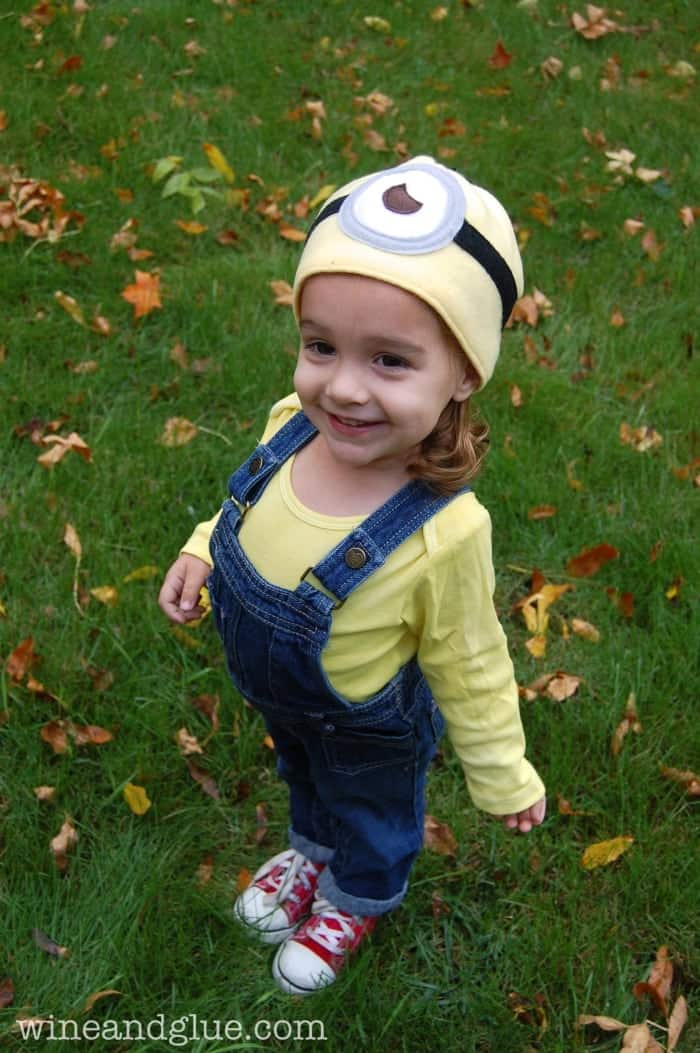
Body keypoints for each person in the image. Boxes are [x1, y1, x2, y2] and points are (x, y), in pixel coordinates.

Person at [159, 156, 546, 996]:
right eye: (321, 346)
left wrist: (502, 771)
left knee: (371, 811)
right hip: (283, 697)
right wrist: (199, 548)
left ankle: (355, 893)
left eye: (390, 362)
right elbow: (244, 506)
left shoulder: (445, 529)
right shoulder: (290, 425)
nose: (341, 388)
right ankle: (310, 849)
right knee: (301, 773)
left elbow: (473, 661)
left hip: (368, 724)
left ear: (465, 374)